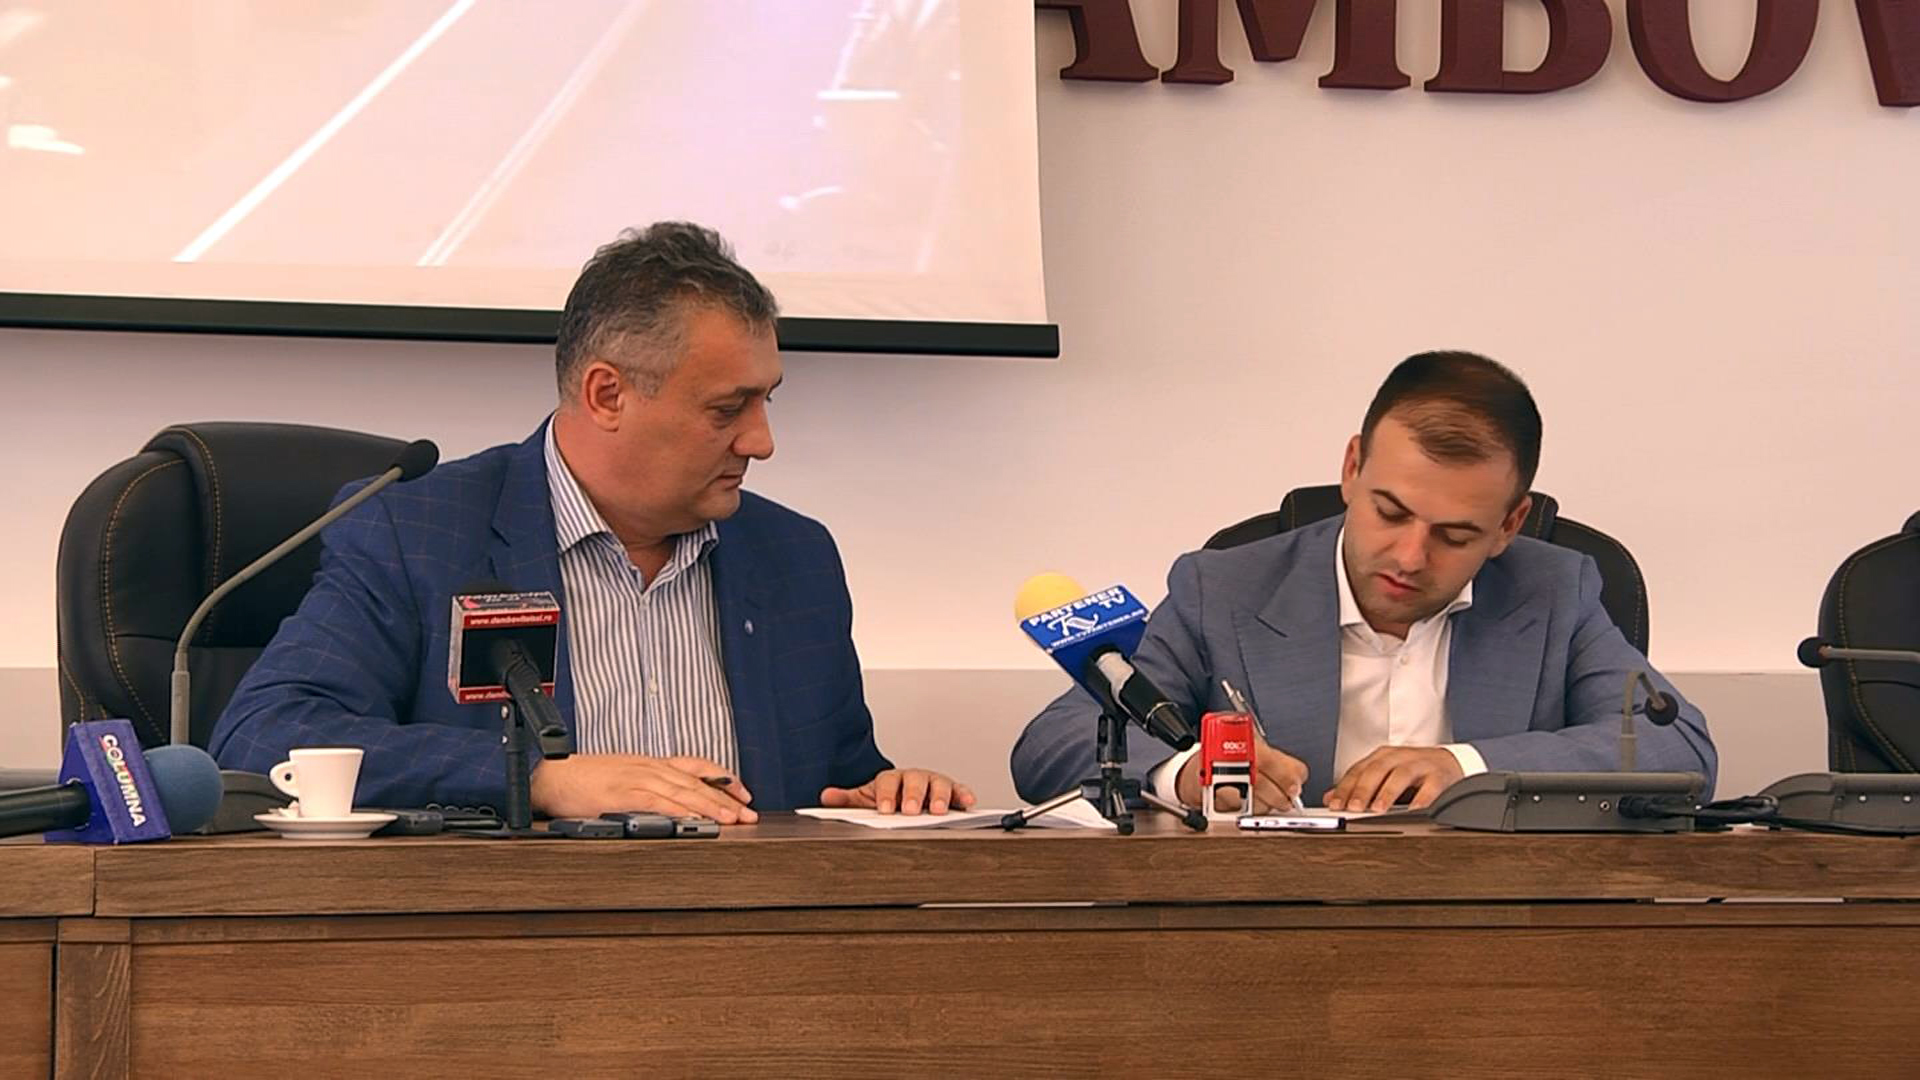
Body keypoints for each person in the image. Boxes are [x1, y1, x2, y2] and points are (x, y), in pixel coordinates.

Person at [214, 222, 973, 822]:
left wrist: (885, 793)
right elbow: (266, 733)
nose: (761, 441)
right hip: (519, 946)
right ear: (608, 395)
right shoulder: (417, 533)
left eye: (766, 400)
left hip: (750, 946)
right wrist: (536, 779)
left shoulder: (793, 556)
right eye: (726, 409)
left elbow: (836, 779)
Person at [1010, 351, 1715, 813]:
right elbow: (1054, 744)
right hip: (1268, 933)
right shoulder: (1223, 588)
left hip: (1497, 933)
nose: (1410, 556)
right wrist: (1188, 775)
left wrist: (1468, 767)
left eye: (1454, 535)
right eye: (1390, 512)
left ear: (1509, 524)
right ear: (1352, 468)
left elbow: (1679, 748)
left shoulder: (1556, 590)